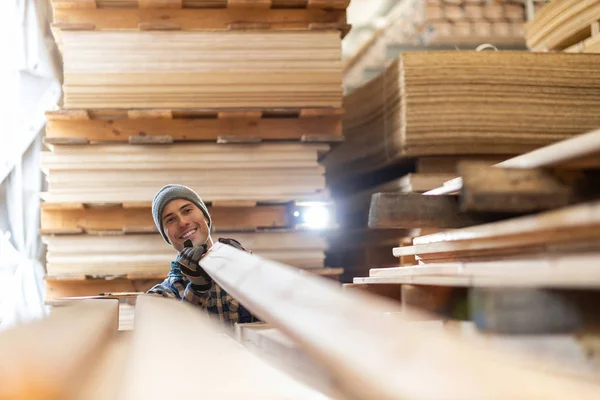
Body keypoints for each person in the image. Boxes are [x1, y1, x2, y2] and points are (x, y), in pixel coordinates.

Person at [147, 184, 258, 326]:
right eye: (170, 219)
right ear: (167, 237)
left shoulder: (245, 272)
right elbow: (169, 340)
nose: (182, 223)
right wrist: (196, 290)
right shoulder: (161, 296)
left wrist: (250, 268)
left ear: (205, 217)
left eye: (187, 211)